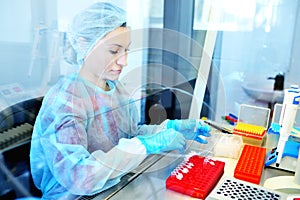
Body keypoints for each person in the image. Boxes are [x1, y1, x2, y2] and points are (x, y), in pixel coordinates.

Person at [29, 2, 211, 199]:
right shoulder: (66, 101)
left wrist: (169, 129)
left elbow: (130, 135)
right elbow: (79, 177)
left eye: (126, 50)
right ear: (83, 44)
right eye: (114, 51)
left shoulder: (115, 88)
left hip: (114, 188)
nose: (124, 61)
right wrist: (146, 145)